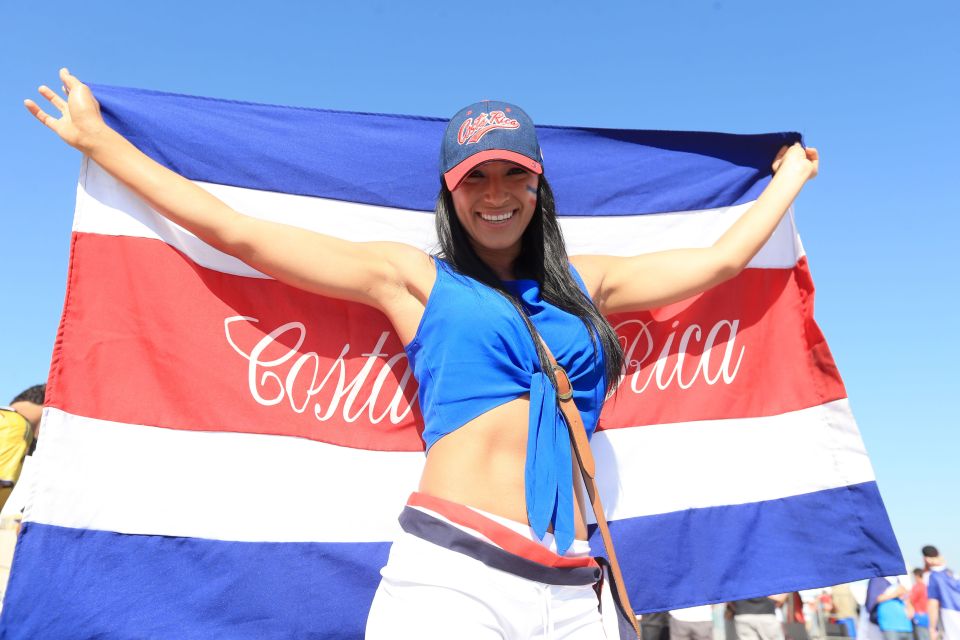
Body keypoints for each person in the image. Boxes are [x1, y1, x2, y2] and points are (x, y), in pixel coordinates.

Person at [25, 69, 819, 639]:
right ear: (451, 191)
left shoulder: (592, 285)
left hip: (577, 579)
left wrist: (788, 182)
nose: (496, 193)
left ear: (539, 188)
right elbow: (244, 236)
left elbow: (716, 265)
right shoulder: (411, 281)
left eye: (514, 173)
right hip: (454, 570)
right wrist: (101, 144)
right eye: (478, 178)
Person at [924, 546, 958, 640]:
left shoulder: (932, 577)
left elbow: (933, 604)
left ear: (926, 559)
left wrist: (932, 628)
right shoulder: (953, 574)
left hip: (950, 616)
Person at [912, 569, 931, 640]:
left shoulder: (917, 587)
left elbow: (911, 599)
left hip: (919, 617)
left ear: (916, 576)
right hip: (927, 616)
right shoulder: (927, 587)